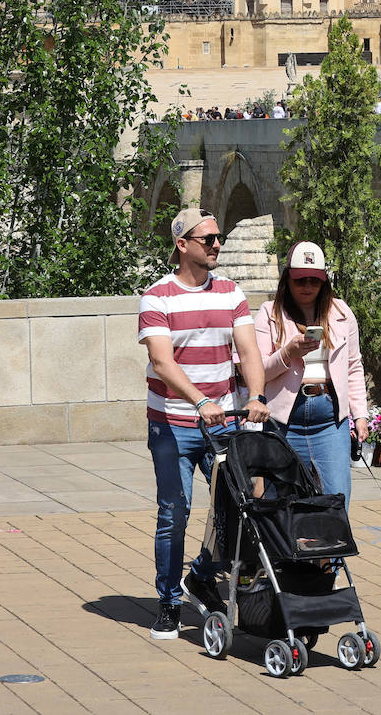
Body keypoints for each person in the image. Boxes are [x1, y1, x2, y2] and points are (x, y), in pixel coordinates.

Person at [139, 207, 270, 640]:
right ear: (182, 245)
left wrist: (255, 396)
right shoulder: (157, 297)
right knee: (174, 514)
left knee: (236, 507)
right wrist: (199, 401)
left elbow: (249, 351)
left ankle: (201, 575)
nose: (217, 245)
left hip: (222, 423)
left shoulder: (231, 293)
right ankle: (168, 604)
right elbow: (161, 360)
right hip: (173, 423)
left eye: (219, 239)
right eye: (208, 239)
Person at [253, 241, 369, 504]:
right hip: (284, 421)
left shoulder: (341, 313)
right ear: (287, 280)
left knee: (336, 499)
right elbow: (256, 372)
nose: (307, 287)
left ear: (324, 282)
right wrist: (287, 354)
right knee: (281, 505)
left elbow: (353, 365)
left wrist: (360, 414)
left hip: (330, 420)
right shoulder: (268, 314)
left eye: (314, 281)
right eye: (300, 280)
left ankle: (330, 545)